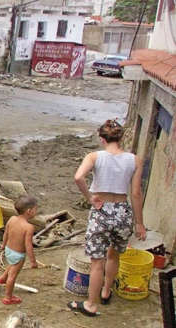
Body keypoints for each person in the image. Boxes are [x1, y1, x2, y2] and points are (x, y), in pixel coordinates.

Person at [69, 119, 146, 317]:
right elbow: (136, 193)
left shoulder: (94, 156)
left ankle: (91, 304)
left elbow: (78, 177)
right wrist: (140, 223)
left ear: (102, 139)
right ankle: (106, 291)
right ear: (120, 138)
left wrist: (90, 198)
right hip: (122, 210)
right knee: (114, 255)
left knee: (97, 262)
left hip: (101, 210)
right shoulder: (134, 160)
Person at [0, 196, 39, 305]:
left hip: (8, 250)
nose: (36, 211)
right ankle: (8, 297)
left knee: (11, 265)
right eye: (35, 209)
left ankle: (2, 278)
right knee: (13, 276)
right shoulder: (28, 227)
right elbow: (28, 246)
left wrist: (3, 245)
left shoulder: (12, 219)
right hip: (18, 254)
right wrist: (33, 261)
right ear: (29, 211)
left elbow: (6, 233)